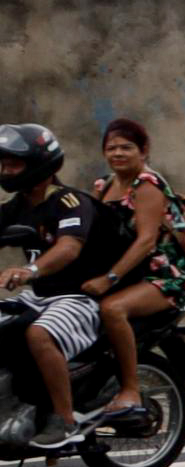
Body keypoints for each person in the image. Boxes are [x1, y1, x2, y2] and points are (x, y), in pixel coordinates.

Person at [0, 122, 117, 447]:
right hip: (38, 296)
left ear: (39, 164)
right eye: (3, 163)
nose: (6, 169)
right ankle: (18, 400)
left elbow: (69, 247)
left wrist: (30, 269)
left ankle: (64, 419)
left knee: (38, 334)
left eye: (14, 163)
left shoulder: (69, 202)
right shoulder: (18, 206)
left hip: (76, 297)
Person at [83, 116, 185, 431]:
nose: (118, 153)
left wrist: (109, 278)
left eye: (126, 147)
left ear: (143, 151)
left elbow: (145, 242)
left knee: (112, 309)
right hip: (123, 275)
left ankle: (130, 390)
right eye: (111, 147)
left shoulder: (148, 185)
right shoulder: (102, 187)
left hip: (158, 277)